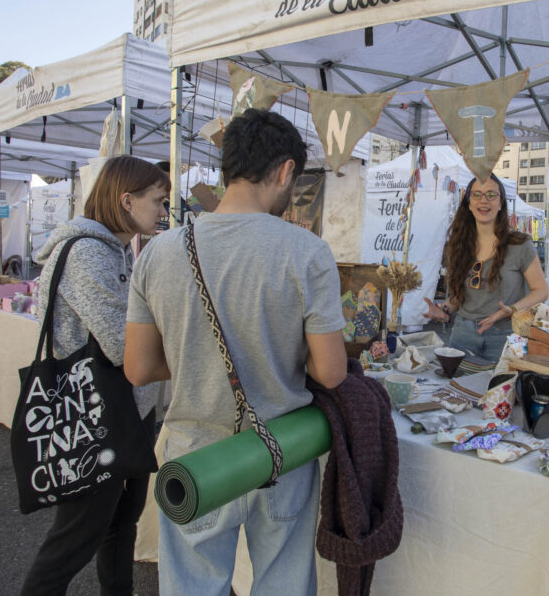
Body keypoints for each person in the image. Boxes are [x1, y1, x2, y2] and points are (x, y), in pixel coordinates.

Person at [124, 108, 347, 595]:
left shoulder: (158, 252)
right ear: (286, 170)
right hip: (280, 450)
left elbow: (138, 368)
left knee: (193, 587)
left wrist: (191, 361)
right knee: (282, 585)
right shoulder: (306, 252)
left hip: (194, 453)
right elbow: (331, 373)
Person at [20, 156, 170, 596]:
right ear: (127, 201)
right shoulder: (87, 252)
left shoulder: (117, 248)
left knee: (121, 524)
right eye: (158, 201)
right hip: (94, 414)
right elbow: (123, 345)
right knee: (76, 538)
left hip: (126, 406)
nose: (164, 211)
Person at [423, 175, 549, 363]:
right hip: (462, 335)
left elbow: (541, 291)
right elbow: (460, 296)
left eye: (491, 194)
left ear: (501, 203)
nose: (484, 200)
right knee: (458, 389)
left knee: (500, 389)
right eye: (477, 195)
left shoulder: (519, 244)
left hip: (504, 335)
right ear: (469, 204)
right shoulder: (458, 246)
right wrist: (445, 310)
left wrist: (510, 310)